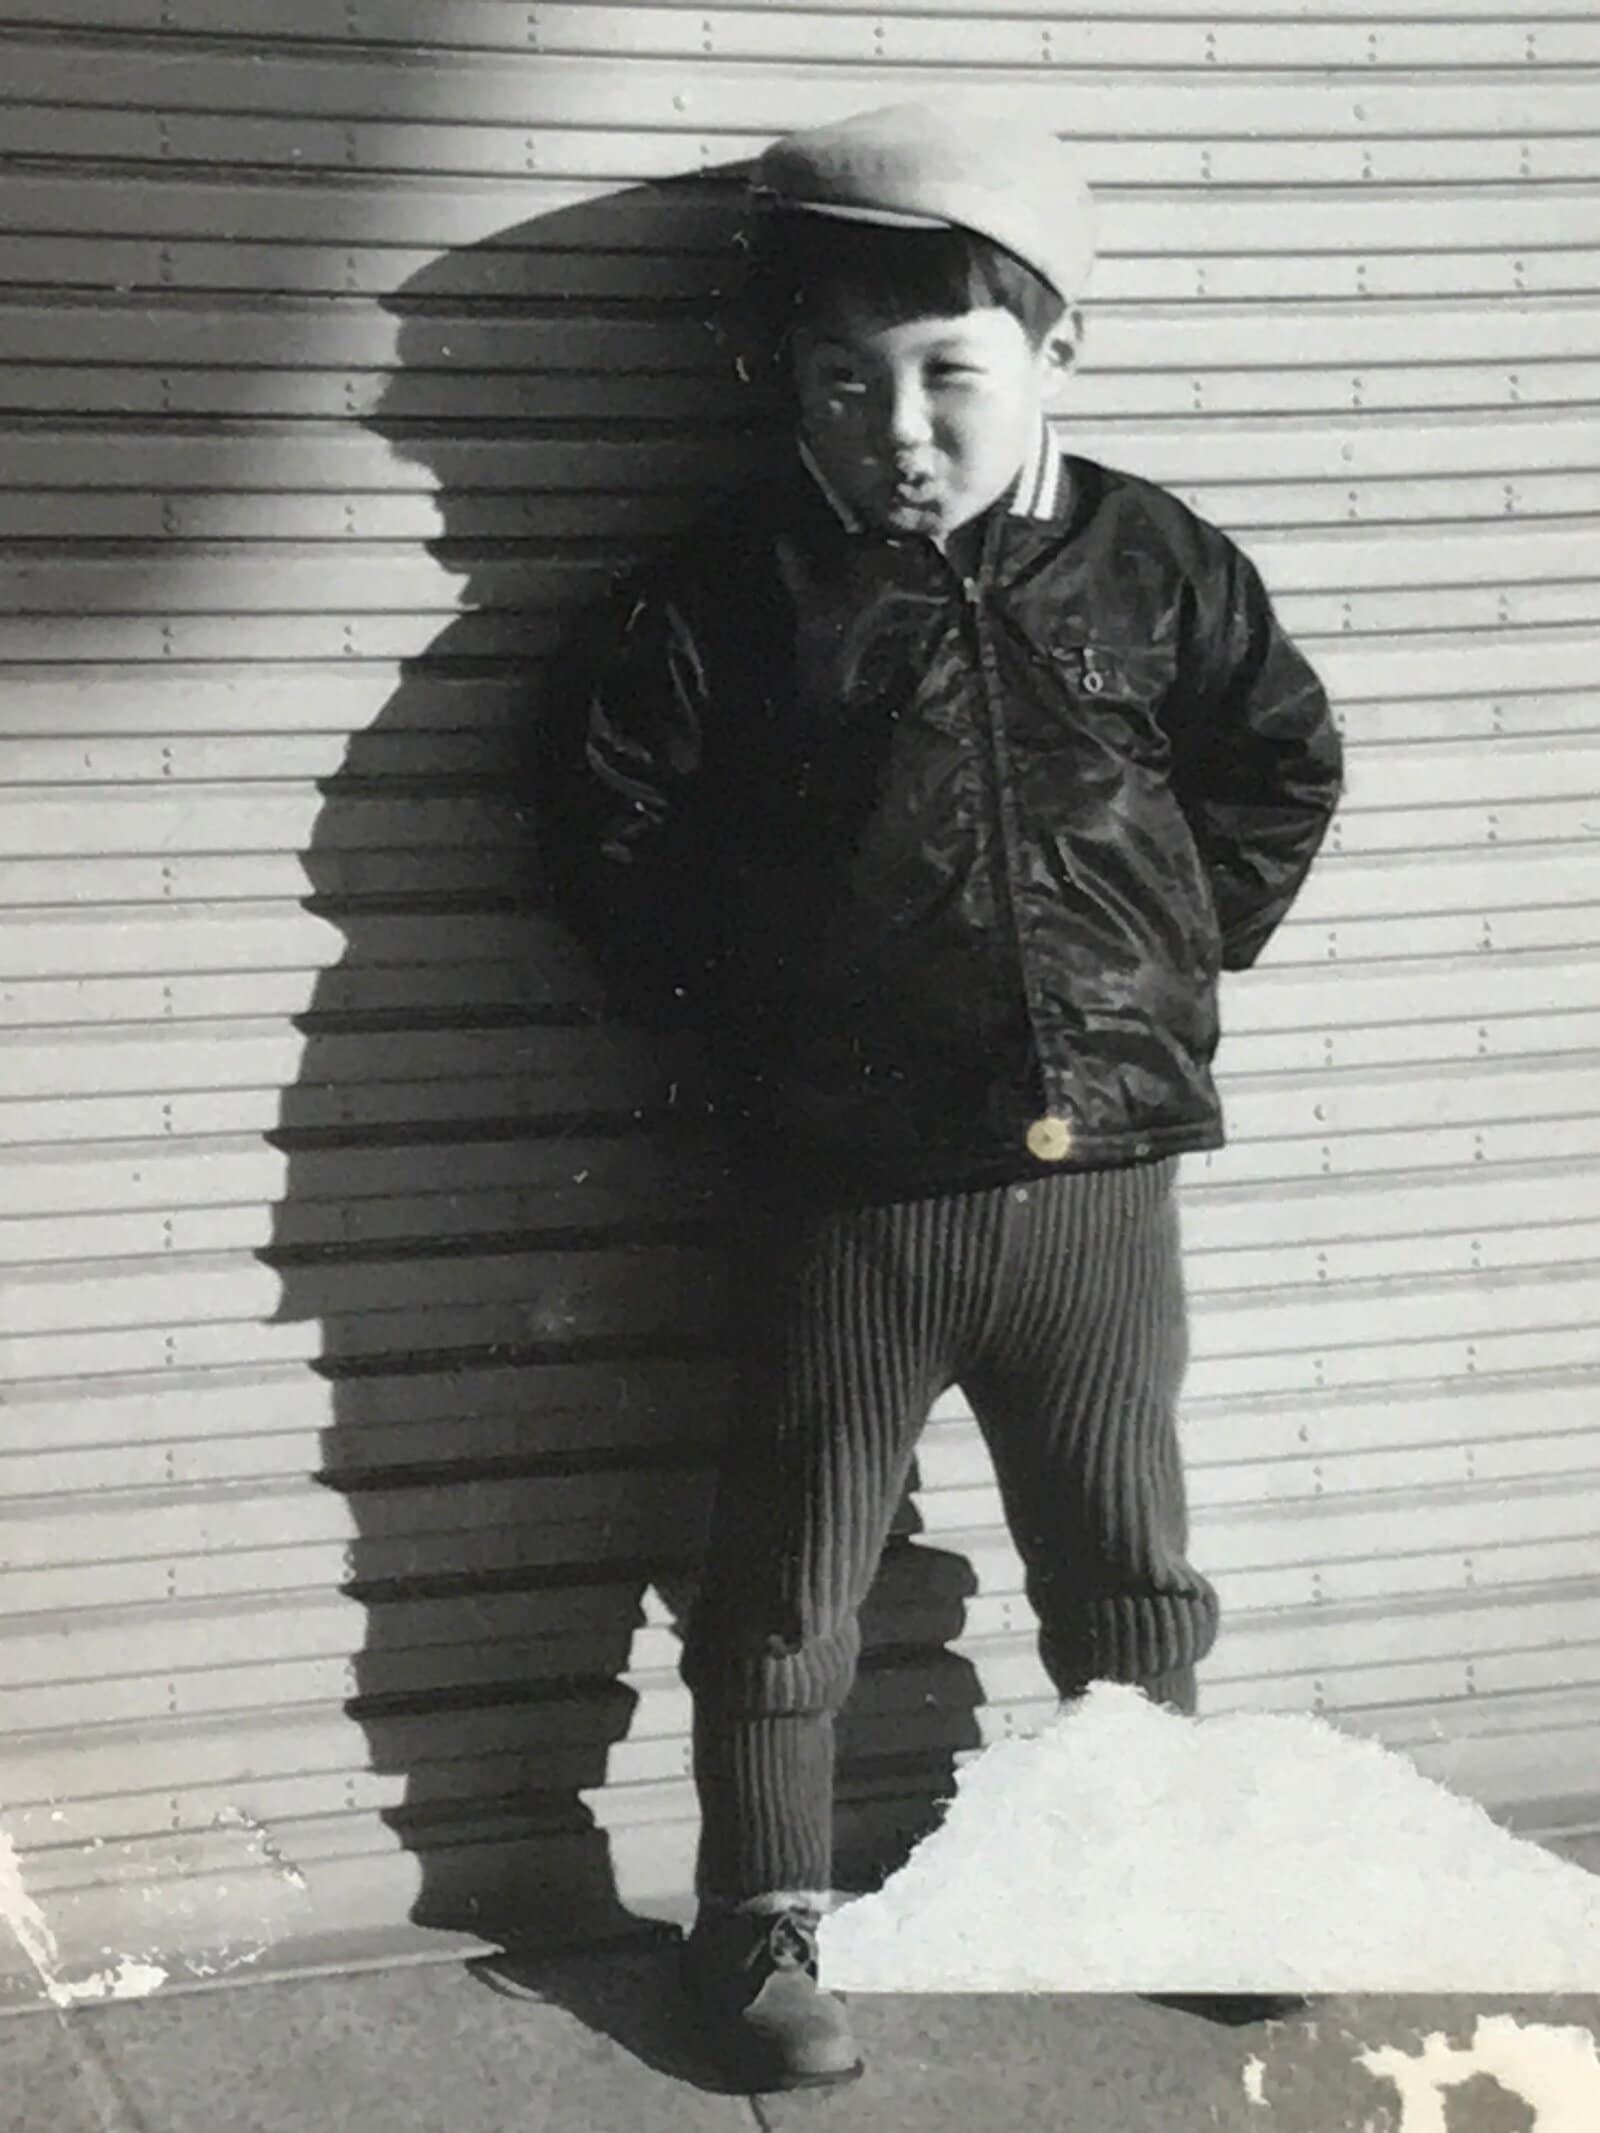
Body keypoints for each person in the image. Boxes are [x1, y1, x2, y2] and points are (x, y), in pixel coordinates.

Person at [529, 100, 1344, 2092]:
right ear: (779, 384)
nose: (892, 430)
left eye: (943, 377)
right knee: (789, 1575)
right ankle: (756, 1929)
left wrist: (1148, 972)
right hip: (852, 1194)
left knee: (1125, 1559)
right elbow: (606, 829)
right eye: (837, 381)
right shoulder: (722, 592)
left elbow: (1275, 762)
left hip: (1097, 1192)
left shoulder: (1149, 561)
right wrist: (762, 1033)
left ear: (1050, 353)